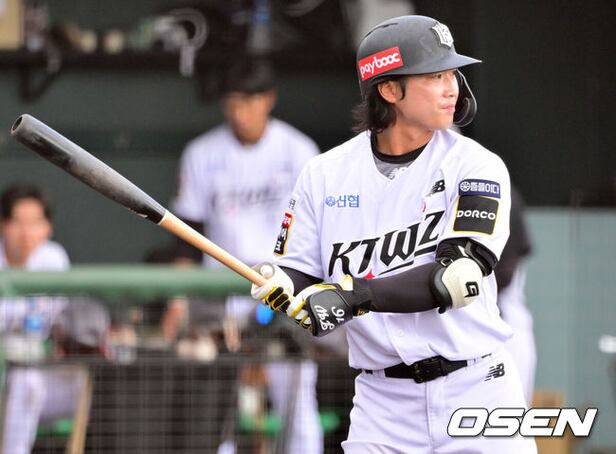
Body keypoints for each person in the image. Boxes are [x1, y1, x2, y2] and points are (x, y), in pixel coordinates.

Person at [250, 15, 537, 453]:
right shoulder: (323, 174)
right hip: (382, 404)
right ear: (389, 90)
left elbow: (457, 279)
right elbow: (300, 271)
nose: (452, 88)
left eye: (452, 74)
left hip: (476, 388)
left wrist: (352, 296)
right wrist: (283, 286)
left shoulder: (476, 165)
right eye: (435, 76)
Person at [171, 59, 323, 453]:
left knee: (296, 396)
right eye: (234, 102)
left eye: (250, 101)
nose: (241, 112)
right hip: (222, 292)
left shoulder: (298, 150)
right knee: (218, 403)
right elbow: (187, 238)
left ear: (268, 99)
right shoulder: (202, 153)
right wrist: (179, 302)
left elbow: (316, 232)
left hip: (284, 288)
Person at [496, 186, 536, 405]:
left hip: (506, 328)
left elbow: (505, 273)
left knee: (508, 417)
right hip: (473, 329)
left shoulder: (502, 194)